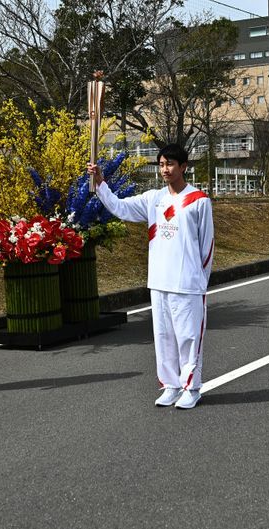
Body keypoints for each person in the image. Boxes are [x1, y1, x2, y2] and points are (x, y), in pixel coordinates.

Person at [88, 144, 214, 410]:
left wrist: (200, 281)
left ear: (183, 167)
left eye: (170, 164)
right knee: (164, 336)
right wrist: (100, 184)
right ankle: (171, 385)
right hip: (159, 281)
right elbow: (120, 208)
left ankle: (191, 388)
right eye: (161, 164)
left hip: (187, 283)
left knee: (189, 337)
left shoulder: (199, 200)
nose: (165, 169)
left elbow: (207, 246)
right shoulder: (153, 199)